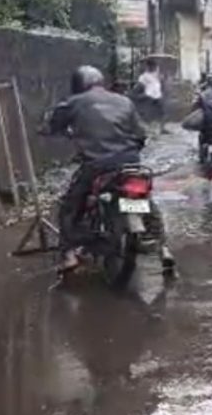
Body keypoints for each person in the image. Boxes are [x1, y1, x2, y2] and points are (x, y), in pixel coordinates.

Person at [46, 65, 166, 271]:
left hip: (96, 165)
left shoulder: (74, 102)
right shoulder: (124, 101)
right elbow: (141, 134)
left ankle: (68, 254)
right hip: (130, 163)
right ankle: (161, 245)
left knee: (69, 207)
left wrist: (54, 130)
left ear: (78, 84)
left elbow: (51, 125)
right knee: (143, 199)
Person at [135, 58, 166, 134]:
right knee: (150, 114)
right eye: (152, 66)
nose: (154, 68)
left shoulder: (156, 75)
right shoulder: (144, 76)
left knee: (161, 113)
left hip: (158, 96)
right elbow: (140, 86)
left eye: (155, 66)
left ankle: (161, 128)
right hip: (149, 96)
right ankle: (148, 129)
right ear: (148, 66)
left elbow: (160, 84)